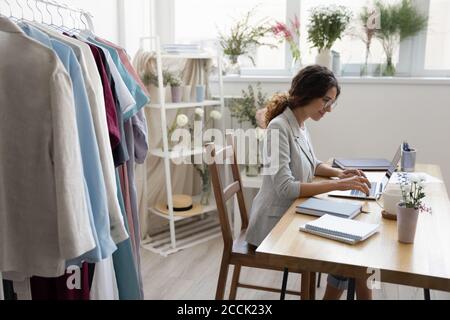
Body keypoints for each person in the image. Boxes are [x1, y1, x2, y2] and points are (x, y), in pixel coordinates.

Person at [245, 65, 372, 300]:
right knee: (350, 255)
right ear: (307, 93)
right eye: (326, 100)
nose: (329, 109)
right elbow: (285, 188)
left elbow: (312, 163)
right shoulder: (277, 128)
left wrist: (338, 174)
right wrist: (337, 186)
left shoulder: (300, 124)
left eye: (332, 102)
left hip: (293, 215)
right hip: (274, 226)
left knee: (355, 251)